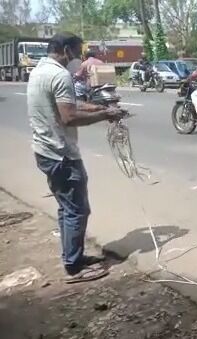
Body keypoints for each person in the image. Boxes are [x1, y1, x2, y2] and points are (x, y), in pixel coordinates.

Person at [27, 32, 126, 283]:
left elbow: (68, 105)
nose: (79, 56)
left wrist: (102, 108)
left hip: (45, 151)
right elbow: (68, 117)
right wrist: (105, 116)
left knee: (67, 208)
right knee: (77, 210)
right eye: (77, 50)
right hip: (61, 154)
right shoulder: (60, 75)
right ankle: (74, 266)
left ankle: (73, 256)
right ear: (67, 50)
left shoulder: (40, 70)